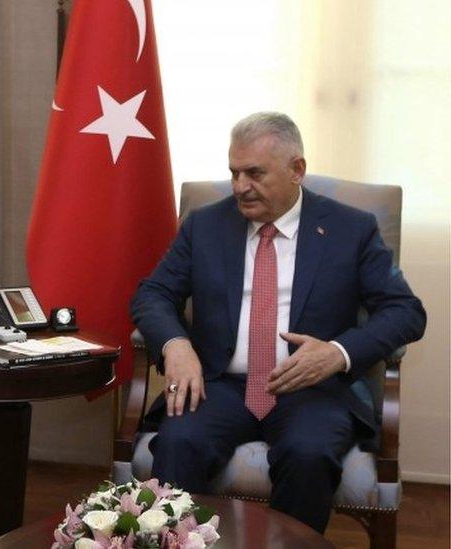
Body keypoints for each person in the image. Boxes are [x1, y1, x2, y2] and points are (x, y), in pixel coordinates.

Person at [130, 112, 426, 533]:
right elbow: (152, 293)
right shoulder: (206, 226)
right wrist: (176, 345)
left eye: (254, 173)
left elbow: (406, 312)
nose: (239, 187)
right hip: (220, 385)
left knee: (309, 453)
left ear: (296, 170)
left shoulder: (350, 229)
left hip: (310, 387)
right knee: (180, 443)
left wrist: (338, 352)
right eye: (234, 173)